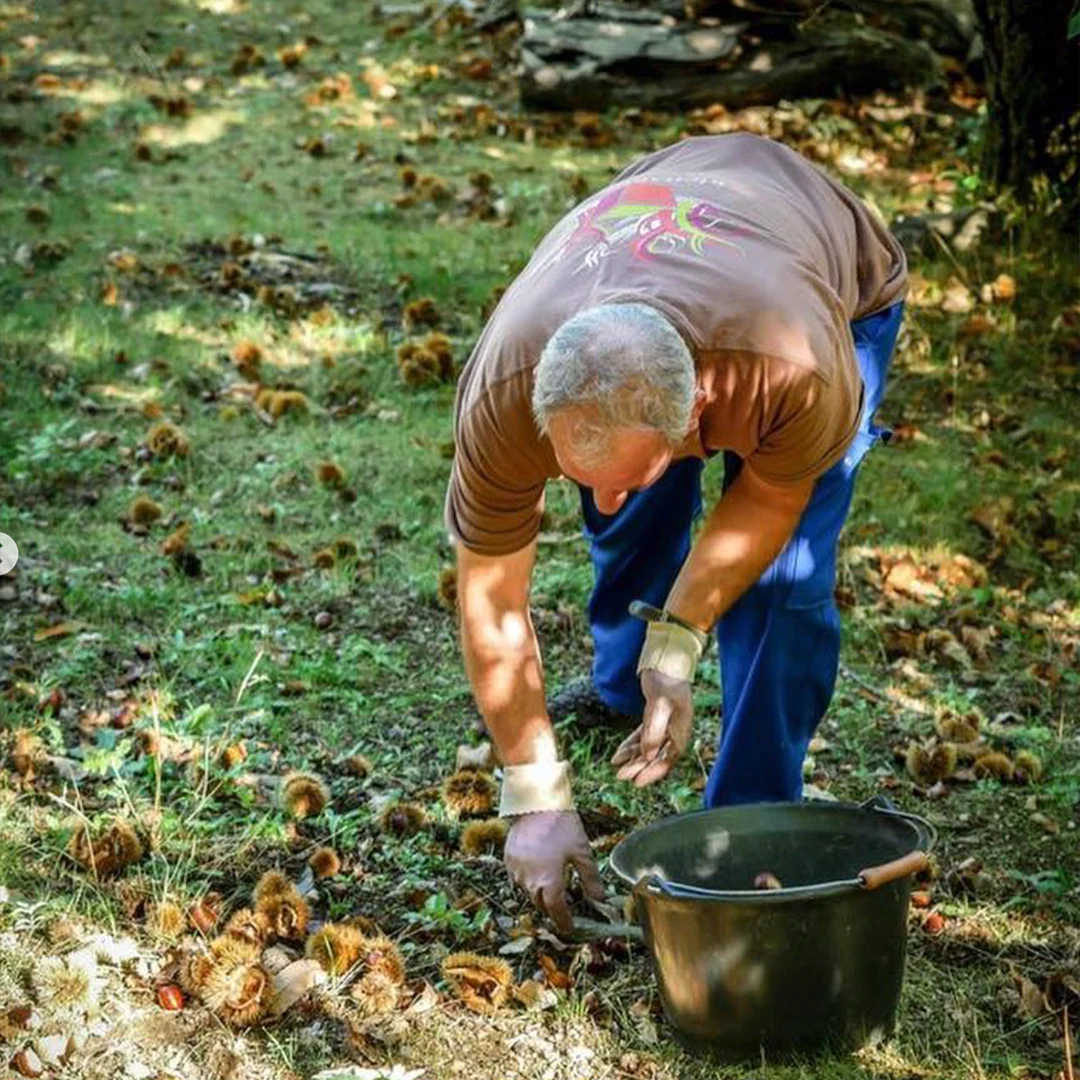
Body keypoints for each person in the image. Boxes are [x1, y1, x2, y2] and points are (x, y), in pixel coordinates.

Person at [445, 133, 907, 933]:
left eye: (634, 466)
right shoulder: (503, 394)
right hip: (663, 234)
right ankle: (628, 689)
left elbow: (766, 504)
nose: (607, 492)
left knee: (783, 586)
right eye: (579, 472)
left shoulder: (795, 369)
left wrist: (682, 643)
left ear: (698, 416)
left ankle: (753, 822)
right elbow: (491, 599)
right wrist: (535, 795)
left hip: (828, 278)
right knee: (629, 514)